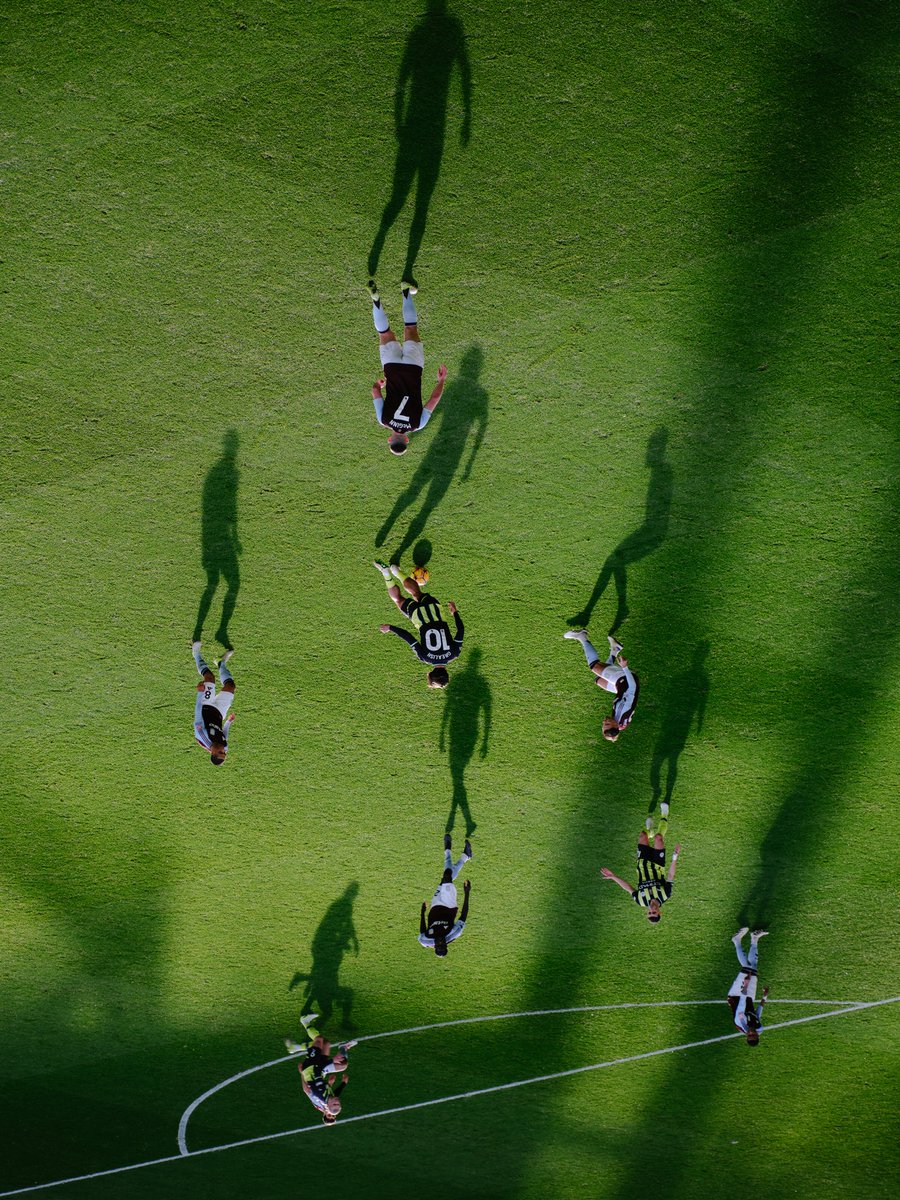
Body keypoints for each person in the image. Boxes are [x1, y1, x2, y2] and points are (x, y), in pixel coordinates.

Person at [367, 280, 447, 455]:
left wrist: (441, 381)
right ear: (390, 439)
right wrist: (379, 385)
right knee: (384, 333)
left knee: (410, 328)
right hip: (392, 367)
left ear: (407, 439)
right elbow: (374, 390)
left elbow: (433, 400)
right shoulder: (383, 419)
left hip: (413, 367)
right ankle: (376, 299)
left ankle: (405, 291)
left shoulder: (418, 424)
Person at [373, 561, 464, 687]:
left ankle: (396, 571)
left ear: (447, 671)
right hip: (418, 616)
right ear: (431, 672)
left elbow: (461, 630)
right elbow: (409, 638)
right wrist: (390, 628)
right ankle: (386, 573)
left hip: (435, 611)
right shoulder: (425, 657)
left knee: (417, 594)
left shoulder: (454, 653)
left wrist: (455, 612)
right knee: (399, 600)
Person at [599, 810, 681, 922]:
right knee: (658, 838)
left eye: (650, 913)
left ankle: (649, 831)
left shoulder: (640, 900)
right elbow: (671, 876)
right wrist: (674, 857)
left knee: (643, 835)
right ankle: (664, 814)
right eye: (654, 912)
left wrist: (613, 877)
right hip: (658, 864)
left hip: (642, 864)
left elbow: (628, 887)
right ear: (659, 912)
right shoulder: (665, 895)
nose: (652, 910)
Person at [563, 629, 639, 741]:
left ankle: (615, 649)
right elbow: (633, 688)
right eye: (607, 724)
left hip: (621, 689)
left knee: (599, 680)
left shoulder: (620, 725)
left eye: (603, 725)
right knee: (594, 666)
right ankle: (582, 636)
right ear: (616, 725)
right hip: (626, 680)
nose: (604, 722)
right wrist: (625, 667)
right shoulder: (622, 712)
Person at [284, 1012, 357, 1124]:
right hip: (319, 1072)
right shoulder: (329, 1100)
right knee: (335, 1055)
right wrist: (342, 1083)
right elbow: (335, 1095)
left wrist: (333, 1060)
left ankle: (305, 1022)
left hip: (311, 1068)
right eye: (338, 1103)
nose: (337, 1101)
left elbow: (315, 1075)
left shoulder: (320, 1093)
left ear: (327, 1108)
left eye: (335, 1103)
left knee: (319, 1040)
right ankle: (343, 1047)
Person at [419, 833, 472, 956]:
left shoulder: (425, 940)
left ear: (435, 946)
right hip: (449, 905)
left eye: (438, 945)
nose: (441, 942)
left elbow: (422, 931)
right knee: (447, 876)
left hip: (435, 905)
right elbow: (463, 916)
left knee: (446, 877)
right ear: (446, 945)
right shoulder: (453, 933)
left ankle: (465, 856)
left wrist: (422, 913)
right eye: (443, 944)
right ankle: (448, 849)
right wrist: (467, 893)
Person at [191, 641, 235, 765]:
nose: (224, 751)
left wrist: (200, 693)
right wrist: (228, 722)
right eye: (224, 753)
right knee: (230, 686)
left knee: (209, 677)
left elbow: (197, 713)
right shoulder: (224, 746)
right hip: (219, 712)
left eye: (221, 753)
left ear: (213, 752)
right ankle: (221, 663)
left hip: (205, 705)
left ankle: (196, 654)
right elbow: (224, 736)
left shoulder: (202, 735)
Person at [727, 928, 770, 1046]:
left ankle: (736, 941)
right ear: (757, 1035)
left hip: (736, 995)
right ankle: (754, 938)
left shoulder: (740, 1021)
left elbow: (741, 1002)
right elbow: (757, 1015)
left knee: (747, 968)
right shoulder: (759, 1028)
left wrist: (745, 984)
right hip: (749, 998)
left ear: (746, 1036)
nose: (751, 1033)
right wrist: (764, 997)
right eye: (753, 1035)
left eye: (749, 1035)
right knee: (754, 968)